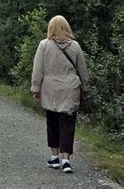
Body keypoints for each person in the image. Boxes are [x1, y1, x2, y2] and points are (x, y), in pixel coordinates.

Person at [31, 15, 90, 174]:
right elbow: (83, 71)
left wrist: (35, 88)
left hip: (50, 90)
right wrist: (86, 88)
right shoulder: (75, 46)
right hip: (70, 90)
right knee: (67, 125)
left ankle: (54, 157)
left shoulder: (44, 45)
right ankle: (66, 160)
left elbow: (38, 70)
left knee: (52, 123)